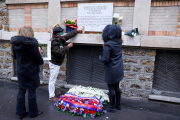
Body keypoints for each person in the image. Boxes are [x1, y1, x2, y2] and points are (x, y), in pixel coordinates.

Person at [11, 27, 44, 119]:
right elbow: (39, 60)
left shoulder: (15, 44)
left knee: (21, 91)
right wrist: (39, 52)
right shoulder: (33, 44)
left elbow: (15, 57)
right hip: (31, 71)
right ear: (30, 33)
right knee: (31, 92)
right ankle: (33, 112)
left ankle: (21, 113)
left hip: (21, 71)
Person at [49, 27, 82, 102]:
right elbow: (59, 52)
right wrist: (68, 46)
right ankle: (51, 96)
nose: (63, 34)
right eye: (62, 32)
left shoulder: (59, 38)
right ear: (57, 34)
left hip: (57, 62)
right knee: (52, 80)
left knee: (53, 78)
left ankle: (53, 91)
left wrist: (76, 31)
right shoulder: (53, 41)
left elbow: (68, 36)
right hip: (54, 63)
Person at [99, 25, 124, 113]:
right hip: (119, 69)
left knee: (111, 89)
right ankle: (118, 105)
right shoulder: (119, 42)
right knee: (117, 87)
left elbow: (105, 60)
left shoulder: (108, 45)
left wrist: (100, 57)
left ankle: (112, 107)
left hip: (111, 70)